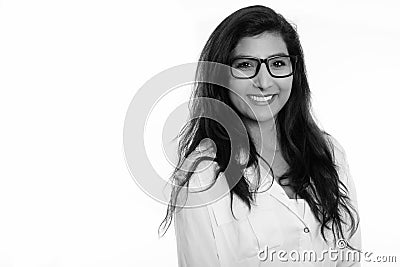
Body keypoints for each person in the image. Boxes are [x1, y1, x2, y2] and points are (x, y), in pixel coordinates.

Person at [159, 5, 361, 266]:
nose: (264, 82)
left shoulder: (329, 152)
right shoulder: (203, 178)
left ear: (295, 72)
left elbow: (351, 258)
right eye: (245, 65)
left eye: (277, 63)